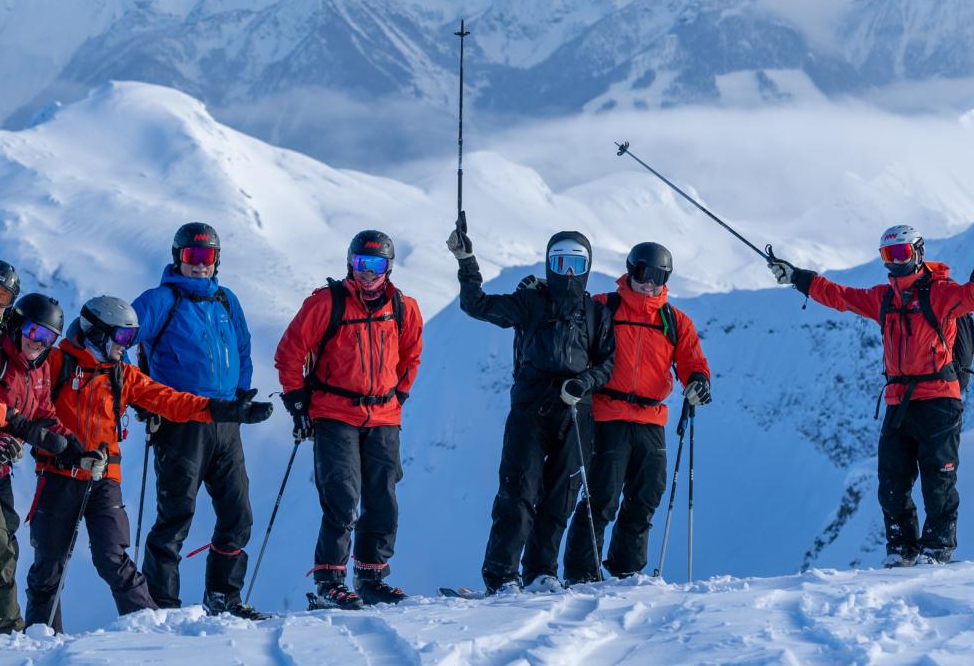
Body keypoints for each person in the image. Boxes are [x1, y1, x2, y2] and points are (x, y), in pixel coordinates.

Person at [23, 296, 272, 630]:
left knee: (113, 558)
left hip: (103, 477)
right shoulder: (56, 363)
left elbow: (170, 401)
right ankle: (40, 637)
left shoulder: (123, 375)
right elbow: (28, 403)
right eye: (122, 336)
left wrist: (225, 411)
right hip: (58, 475)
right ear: (97, 332)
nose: (126, 345)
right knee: (48, 567)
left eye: (131, 337)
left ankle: (150, 630)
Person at [768, 225, 974, 566]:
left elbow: (973, 298)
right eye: (888, 256)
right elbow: (840, 296)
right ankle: (902, 550)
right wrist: (797, 278)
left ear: (918, 252)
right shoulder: (885, 298)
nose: (895, 262)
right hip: (898, 401)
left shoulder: (940, 292)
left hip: (939, 399)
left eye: (901, 253)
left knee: (938, 479)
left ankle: (937, 549)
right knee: (892, 482)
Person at [446, 223, 615, 594]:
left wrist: (584, 382)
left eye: (575, 263)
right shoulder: (530, 302)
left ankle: (541, 572)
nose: (567, 272)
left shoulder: (596, 314)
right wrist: (466, 261)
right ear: (548, 264)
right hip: (530, 408)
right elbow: (477, 305)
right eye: (559, 262)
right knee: (518, 491)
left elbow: (607, 362)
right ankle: (502, 575)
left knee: (561, 497)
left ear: (587, 267)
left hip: (575, 410)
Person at [274, 230, 424, 610]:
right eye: (362, 263)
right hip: (334, 411)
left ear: (389, 268)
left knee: (382, 498)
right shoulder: (327, 303)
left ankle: (371, 577)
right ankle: (330, 582)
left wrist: (398, 396)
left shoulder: (404, 307)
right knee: (342, 495)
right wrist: (297, 403)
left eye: (376, 265)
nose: (368, 273)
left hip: (384, 415)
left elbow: (411, 356)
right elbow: (289, 353)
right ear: (350, 264)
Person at [134, 223, 265, 620]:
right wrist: (140, 395)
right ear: (178, 258)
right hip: (180, 422)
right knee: (175, 515)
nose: (200, 264)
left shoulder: (226, 300)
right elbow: (119, 338)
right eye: (192, 256)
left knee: (238, 514)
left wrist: (240, 394)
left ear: (217, 260)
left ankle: (223, 596)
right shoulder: (160, 300)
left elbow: (242, 346)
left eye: (207, 256)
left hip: (225, 421)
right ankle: (163, 606)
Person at [562, 242, 711, 583]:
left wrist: (699, 381)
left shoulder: (674, 320)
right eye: (644, 273)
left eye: (659, 276)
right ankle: (581, 574)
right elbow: (569, 315)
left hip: (651, 418)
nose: (650, 283)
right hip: (607, 414)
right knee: (601, 497)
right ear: (631, 271)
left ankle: (627, 571)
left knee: (646, 496)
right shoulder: (604, 306)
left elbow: (692, 361)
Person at [0, 288, 71, 631]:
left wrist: (71, 444)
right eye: (34, 331)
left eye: (48, 337)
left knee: (3, 540)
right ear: (17, 325)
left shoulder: (39, 369)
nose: (39, 342)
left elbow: (43, 413)